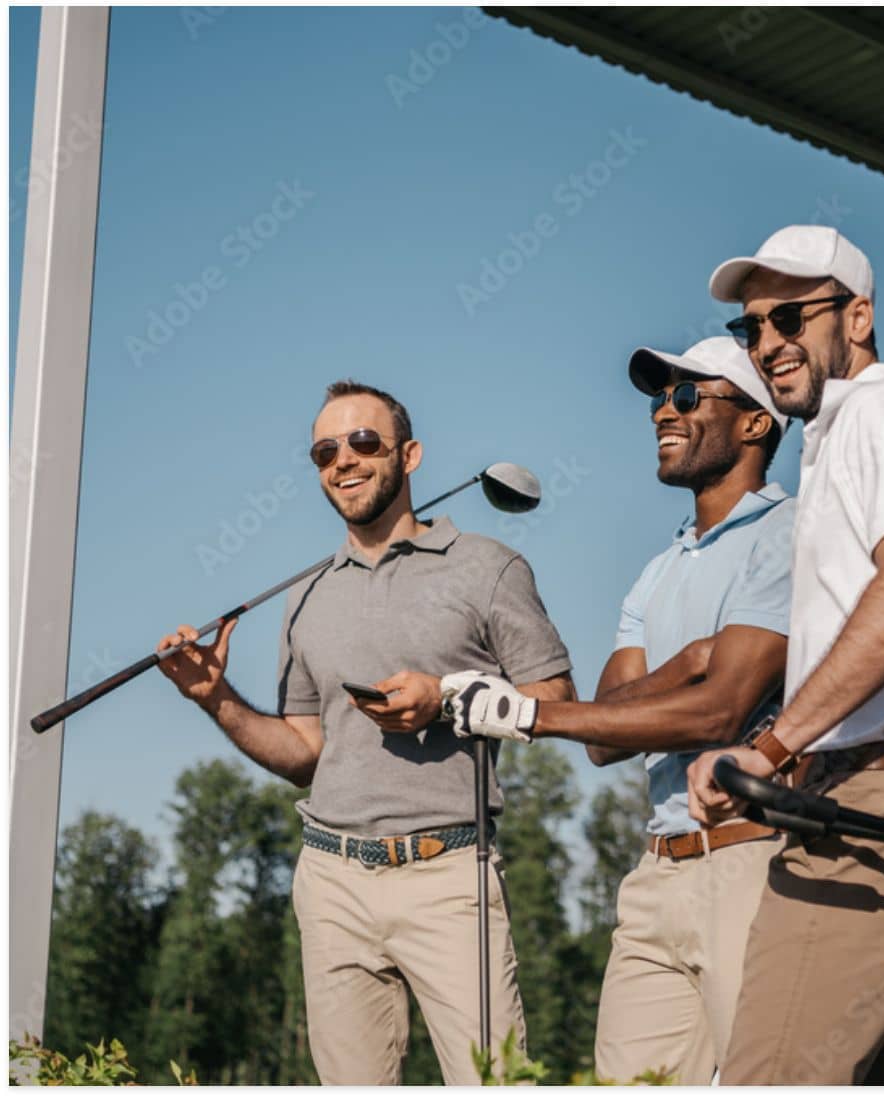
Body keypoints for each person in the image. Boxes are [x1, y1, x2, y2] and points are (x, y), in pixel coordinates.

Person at [155, 379, 574, 1085]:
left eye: (363, 442)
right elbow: (304, 754)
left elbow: (554, 700)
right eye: (325, 451)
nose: (343, 460)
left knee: (495, 1083)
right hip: (331, 879)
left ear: (409, 455)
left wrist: (446, 698)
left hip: (449, 872)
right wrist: (214, 697)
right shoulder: (306, 594)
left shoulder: (489, 567)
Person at [686, 226, 884, 1085]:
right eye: (752, 328)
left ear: (857, 317)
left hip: (875, 802)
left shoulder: (880, 414)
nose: (768, 344)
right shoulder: (843, 434)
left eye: (790, 317)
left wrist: (769, 748)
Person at [439, 337, 795, 1084]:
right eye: (660, 398)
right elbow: (606, 734)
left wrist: (528, 714)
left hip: (755, 861)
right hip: (657, 873)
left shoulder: (790, 534)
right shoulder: (657, 571)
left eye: (688, 395)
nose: (664, 411)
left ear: (757, 422)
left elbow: (719, 712)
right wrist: (688, 662)